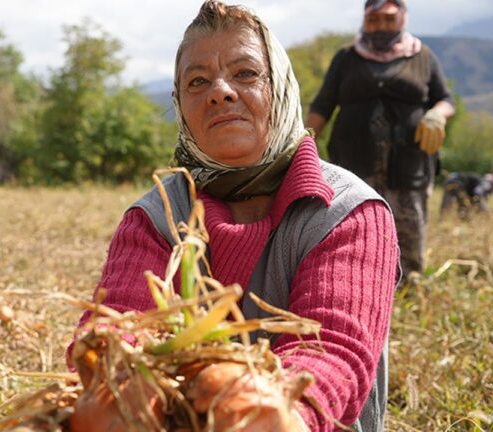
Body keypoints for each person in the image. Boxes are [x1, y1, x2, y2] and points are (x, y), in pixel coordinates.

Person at [69, 1, 399, 431]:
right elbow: (117, 325)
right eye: (197, 81)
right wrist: (121, 381)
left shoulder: (347, 212)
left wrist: (272, 411)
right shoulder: (157, 216)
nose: (219, 91)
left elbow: (332, 352)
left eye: (246, 74)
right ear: (180, 105)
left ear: (280, 87)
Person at [306, 0, 455, 280]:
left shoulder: (422, 56)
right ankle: (357, 279)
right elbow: (322, 106)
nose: (381, 26)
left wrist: (437, 115)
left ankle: (410, 279)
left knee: (409, 220)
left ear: (403, 18)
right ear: (365, 20)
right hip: (354, 160)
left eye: (389, 19)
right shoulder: (347, 57)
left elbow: (445, 99)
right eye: (375, 20)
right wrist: (303, 145)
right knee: (354, 219)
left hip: (409, 161)